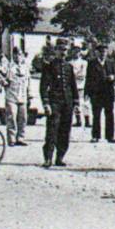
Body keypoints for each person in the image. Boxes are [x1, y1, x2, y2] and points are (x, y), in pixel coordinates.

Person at [39, 37, 79, 168]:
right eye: (61, 49)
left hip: (67, 103)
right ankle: (48, 158)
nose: (63, 52)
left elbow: (73, 86)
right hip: (54, 102)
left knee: (65, 130)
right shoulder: (49, 66)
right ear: (56, 50)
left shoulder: (69, 67)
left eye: (65, 50)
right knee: (52, 130)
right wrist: (46, 103)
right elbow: (44, 86)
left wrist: (76, 103)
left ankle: (60, 157)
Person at [85, 44, 115, 143]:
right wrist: (87, 92)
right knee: (96, 115)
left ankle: (110, 136)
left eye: (105, 52)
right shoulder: (92, 63)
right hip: (96, 93)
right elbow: (88, 78)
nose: (103, 54)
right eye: (101, 52)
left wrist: (113, 77)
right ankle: (95, 136)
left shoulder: (110, 63)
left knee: (109, 115)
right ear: (97, 53)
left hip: (108, 93)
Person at [4, 48, 30, 146]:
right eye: (15, 54)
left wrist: (29, 94)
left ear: (22, 55)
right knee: (11, 117)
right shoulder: (8, 67)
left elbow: (28, 81)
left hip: (22, 96)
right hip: (11, 95)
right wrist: (4, 82)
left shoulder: (25, 67)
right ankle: (11, 139)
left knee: (23, 118)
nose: (17, 56)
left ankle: (20, 138)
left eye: (19, 54)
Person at [70, 46, 90, 128]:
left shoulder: (84, 63)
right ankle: (78, 120)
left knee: (85, 103)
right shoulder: (70, 63)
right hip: (73, 86)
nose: (76, 53)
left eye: (78, 51)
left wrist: (75, 75)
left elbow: (83, 75)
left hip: (82, 85)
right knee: (76, 103)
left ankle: (87, 121)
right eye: (74, 51)